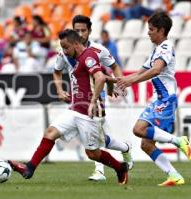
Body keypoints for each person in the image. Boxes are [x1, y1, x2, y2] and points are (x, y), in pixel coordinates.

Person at [8, 29, 129, 185]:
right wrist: (111, 84)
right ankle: (29, 168)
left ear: (76, 44)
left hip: (90, 113)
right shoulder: (77, 58)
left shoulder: (89, 56)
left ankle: (120, 168)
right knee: (50, 132)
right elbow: (103, 76)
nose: (64, 51)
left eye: (66, 47)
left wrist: (93, 101)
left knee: (92, 153)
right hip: (76, 108)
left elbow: (99, 78)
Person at [116, 12, 191, 186]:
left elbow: (156, 70)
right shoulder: (157, 50)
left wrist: (131, 81)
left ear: (161, 30)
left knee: (138, 129)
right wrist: (122, 82)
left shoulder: (165, 47)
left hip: (166, 99)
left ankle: (179, 141)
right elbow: (141, 72)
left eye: (151, 29)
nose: (148, 33)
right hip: (158, 100)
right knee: (146, 144)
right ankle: (174, 176)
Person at [54, 15, 133, 181]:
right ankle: (125, 147)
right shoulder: (65, 50)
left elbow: (114, 67)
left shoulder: (99, 50)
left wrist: (120, 84)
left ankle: (100, 171)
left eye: (83, 30)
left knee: (94, 136)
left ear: (90, 31)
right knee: (99, 138)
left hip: (96, 98)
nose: (80, 33)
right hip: (77, 99)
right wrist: (60, 90)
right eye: (77, 30)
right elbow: (57, 71)